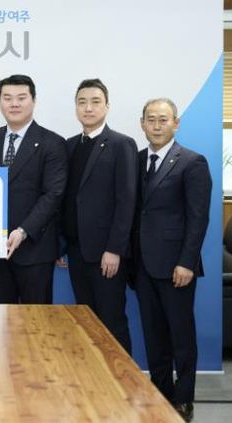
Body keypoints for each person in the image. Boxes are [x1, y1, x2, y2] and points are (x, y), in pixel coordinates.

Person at [132, 98, 212, 422]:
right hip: (142, 264)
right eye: (150, 119)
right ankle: (161, 392)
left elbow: (198, 218)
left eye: (163, 119)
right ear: (142, 124)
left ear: (176, 123)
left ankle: (184, 398)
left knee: (181, 336)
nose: (156, 125)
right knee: (154, 336)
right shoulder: (137, 160)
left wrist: (187, 262)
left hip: (176, 265)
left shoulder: (192, 162)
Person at [0, 74, 68, 303]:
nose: (14, 104)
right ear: (0, 102)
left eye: (21, 98)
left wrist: (23, 231)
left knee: (36, 320)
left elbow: (53, 195)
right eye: (7, 98)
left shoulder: (52, 142)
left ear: (33, 101)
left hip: (35, 250)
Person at [61, 78, 137, 353]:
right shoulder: (69, 146)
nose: (88, 108)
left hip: (106, 254)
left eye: (95, 102)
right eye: (82, 102)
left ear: (107, 106)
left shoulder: (121, 144)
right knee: (86, 322)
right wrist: (61, 245)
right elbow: (66, 199)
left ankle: (122, 378)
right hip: (76, 251)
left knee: (111, 321)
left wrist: (114, 249)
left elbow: (126, 200)